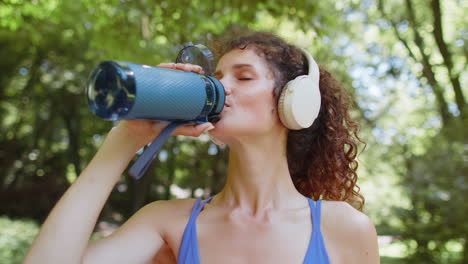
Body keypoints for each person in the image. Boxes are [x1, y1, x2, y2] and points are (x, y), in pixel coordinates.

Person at [24, 31, 379, 264]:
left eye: (243, 77)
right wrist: (125, 138)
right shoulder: (167, 222)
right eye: (217, 76)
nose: (221, 87)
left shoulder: (344, 228)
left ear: (295, 102)